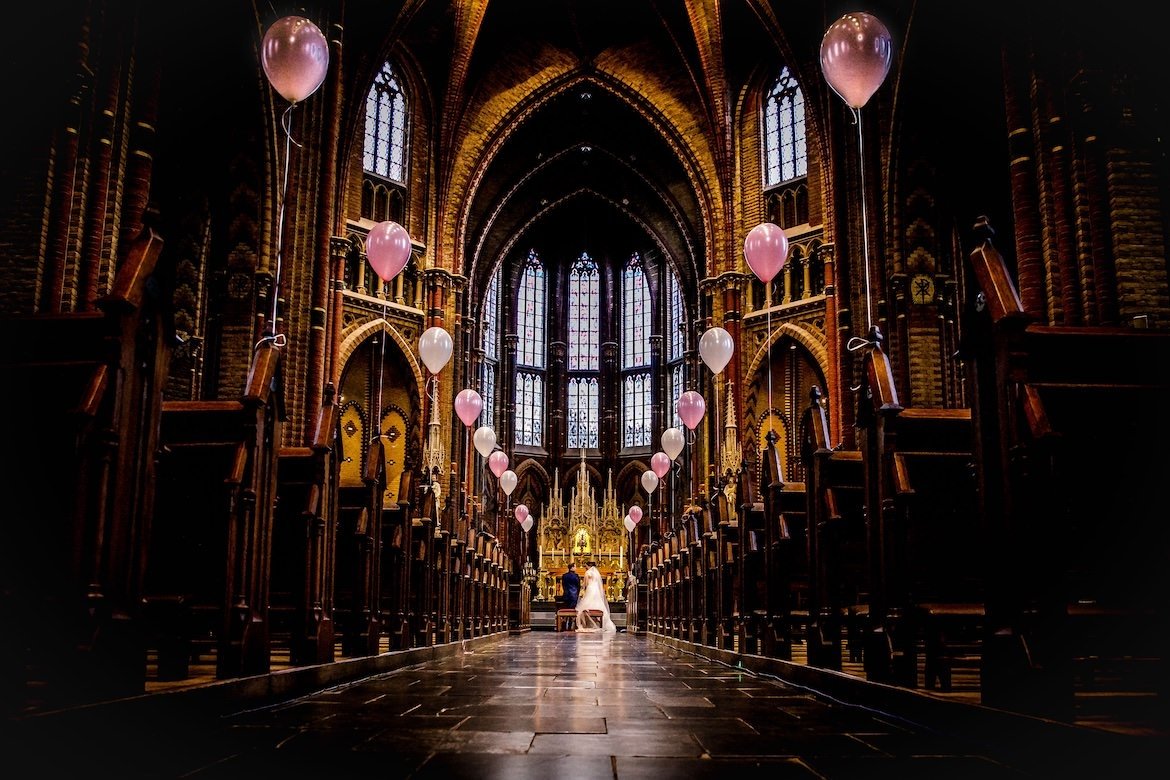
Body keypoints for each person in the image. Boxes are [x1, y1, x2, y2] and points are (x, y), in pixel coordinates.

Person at [575, 561, 616, 633]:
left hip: (590, 588)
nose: (585, 568)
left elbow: (585, 583)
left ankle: (588, 624)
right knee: (597, 602)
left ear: (588, 566)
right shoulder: (596, 573)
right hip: (596, 589)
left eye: (586, 566)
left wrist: (582, 588)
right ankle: (602, 623)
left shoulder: (588, 573)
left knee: (587, 605)